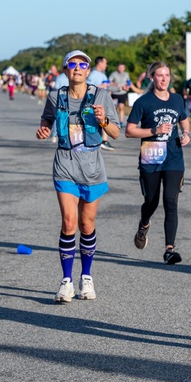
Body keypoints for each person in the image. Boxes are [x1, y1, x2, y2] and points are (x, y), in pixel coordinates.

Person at [36, 50, 121, 303]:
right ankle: (66, 281)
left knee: (86, 224)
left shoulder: (101, 95)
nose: (78, 68)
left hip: (92, 168)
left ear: (88, 70)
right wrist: (43, 130)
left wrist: (103, 120)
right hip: (64, 165)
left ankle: (86, 277)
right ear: (65, 70)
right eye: (72, 64)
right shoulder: (56, 96)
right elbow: (46, 120)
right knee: (69, 222)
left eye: (83, 64)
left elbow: (116, 133)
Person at [125, 61, 191, 264]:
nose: (164, 79)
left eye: (167, 75)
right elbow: (129, 131)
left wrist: (186, 134)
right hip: (151, 157)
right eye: (160, 75)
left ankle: (169, 250)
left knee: (171, 201)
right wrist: (154, 131)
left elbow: (184, 119)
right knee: (151, 202)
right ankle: (144, 223)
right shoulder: (143, 102)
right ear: (152, 78)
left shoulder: (177, 99)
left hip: (173, 158)